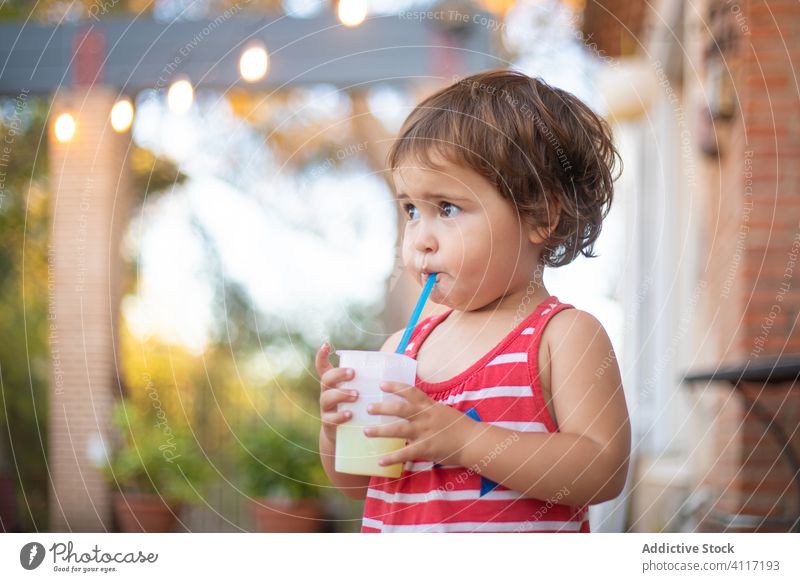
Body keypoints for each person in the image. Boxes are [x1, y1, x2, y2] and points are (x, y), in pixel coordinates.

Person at [316, 69, 630, 533]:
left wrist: (461, 440)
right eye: (410, 210)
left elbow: (602, 470)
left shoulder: (563, 338)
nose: (420, 238)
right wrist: (336, 430)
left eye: (447, 208)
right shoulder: (401, 353)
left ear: (540, 215)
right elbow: (359, 485)